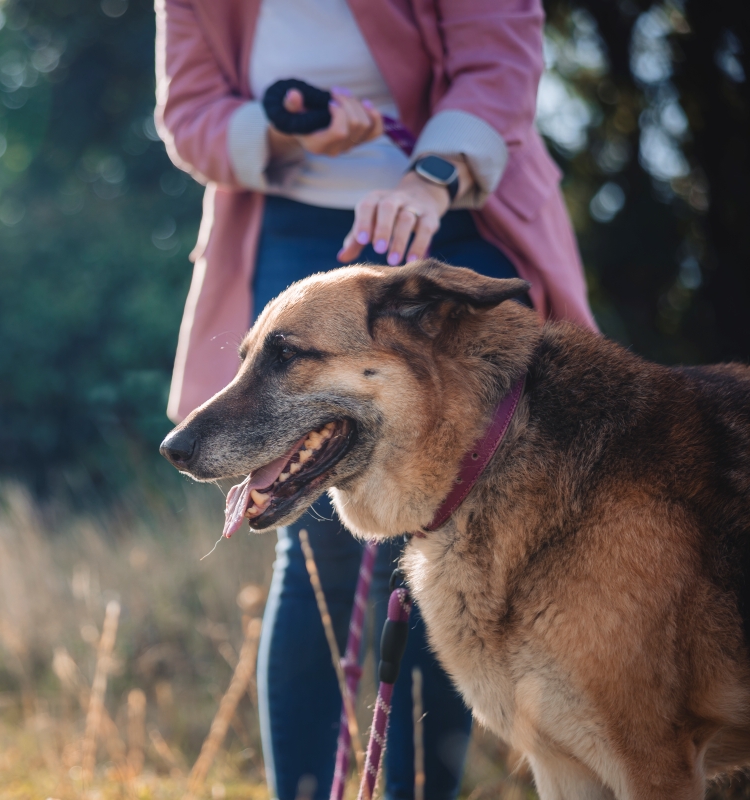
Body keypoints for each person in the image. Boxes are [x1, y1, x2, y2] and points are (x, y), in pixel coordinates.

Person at [153, 1, 598, 799]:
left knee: (459, 526)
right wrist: (279, 128)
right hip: (291, 219)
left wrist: (430, 180)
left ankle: (420, 790)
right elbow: (188, 118)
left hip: (459, 207)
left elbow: (498, 65)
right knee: (318, 546)